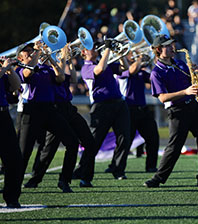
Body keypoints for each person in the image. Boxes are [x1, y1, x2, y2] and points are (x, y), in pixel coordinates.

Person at [144, 34, 198, 188]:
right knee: (174, 147)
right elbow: (162, 98)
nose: (172, 47)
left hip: (193, 107)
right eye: (168, 46)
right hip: (177, 111)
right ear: (159, 50)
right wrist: (185, 92)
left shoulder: (180, 64)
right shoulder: (156, 72)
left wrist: (195, 73)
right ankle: (158, 178)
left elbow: (192, 83)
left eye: (172, 44)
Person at [24, 44, 96, 188]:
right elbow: (60, 77)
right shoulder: (47, 69)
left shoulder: (57, 67)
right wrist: (58, 58)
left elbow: (73, 79)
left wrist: (68, 60)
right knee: (49, 149)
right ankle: (35, 179)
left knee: (88, 142)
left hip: (68, 107)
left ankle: (73, 178)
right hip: (55, 109)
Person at [17, 42, 79, 193]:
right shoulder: (20, 69)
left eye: (31, 50)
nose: (30, 53)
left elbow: (61, 78)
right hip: (32, 110)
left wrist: (51, 59)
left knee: (72, 142)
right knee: (24, 151)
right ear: (20, 57)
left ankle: (64, 180)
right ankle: (13, 184)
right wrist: (38, 52)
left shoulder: (47, 69)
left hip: (50, 109)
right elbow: (28, 74)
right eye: (27, 52)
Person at [78, 39, 131, 180]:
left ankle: (118, 170)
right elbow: (99, 69)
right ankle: (83, 171)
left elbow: (125, 68)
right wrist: (107, 49)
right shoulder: (86, 68)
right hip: (101, 106)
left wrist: (120, 54)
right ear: (84, 52)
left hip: (119, 104)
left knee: (124, 138)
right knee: (94, 142)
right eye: (92, 48)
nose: (96, 49)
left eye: (96, 47)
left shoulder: (105, 62)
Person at [117, 52, 159, 172]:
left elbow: (153, 79)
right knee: (125, 141)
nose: (133, 55)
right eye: (130, 53)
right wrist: (140, 59)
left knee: (153, 137)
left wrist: (156, 62)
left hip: (142, 108)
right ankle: (117, 167)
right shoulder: (122, 70)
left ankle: (151, 166)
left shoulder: (140, 70)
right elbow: (131, 70)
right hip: (127, 110)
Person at [0, 57, 24, 208]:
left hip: (3, 115)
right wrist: (4, 68)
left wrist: (10, 70)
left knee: (14, 159)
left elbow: (16, 86)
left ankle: (12, 197)